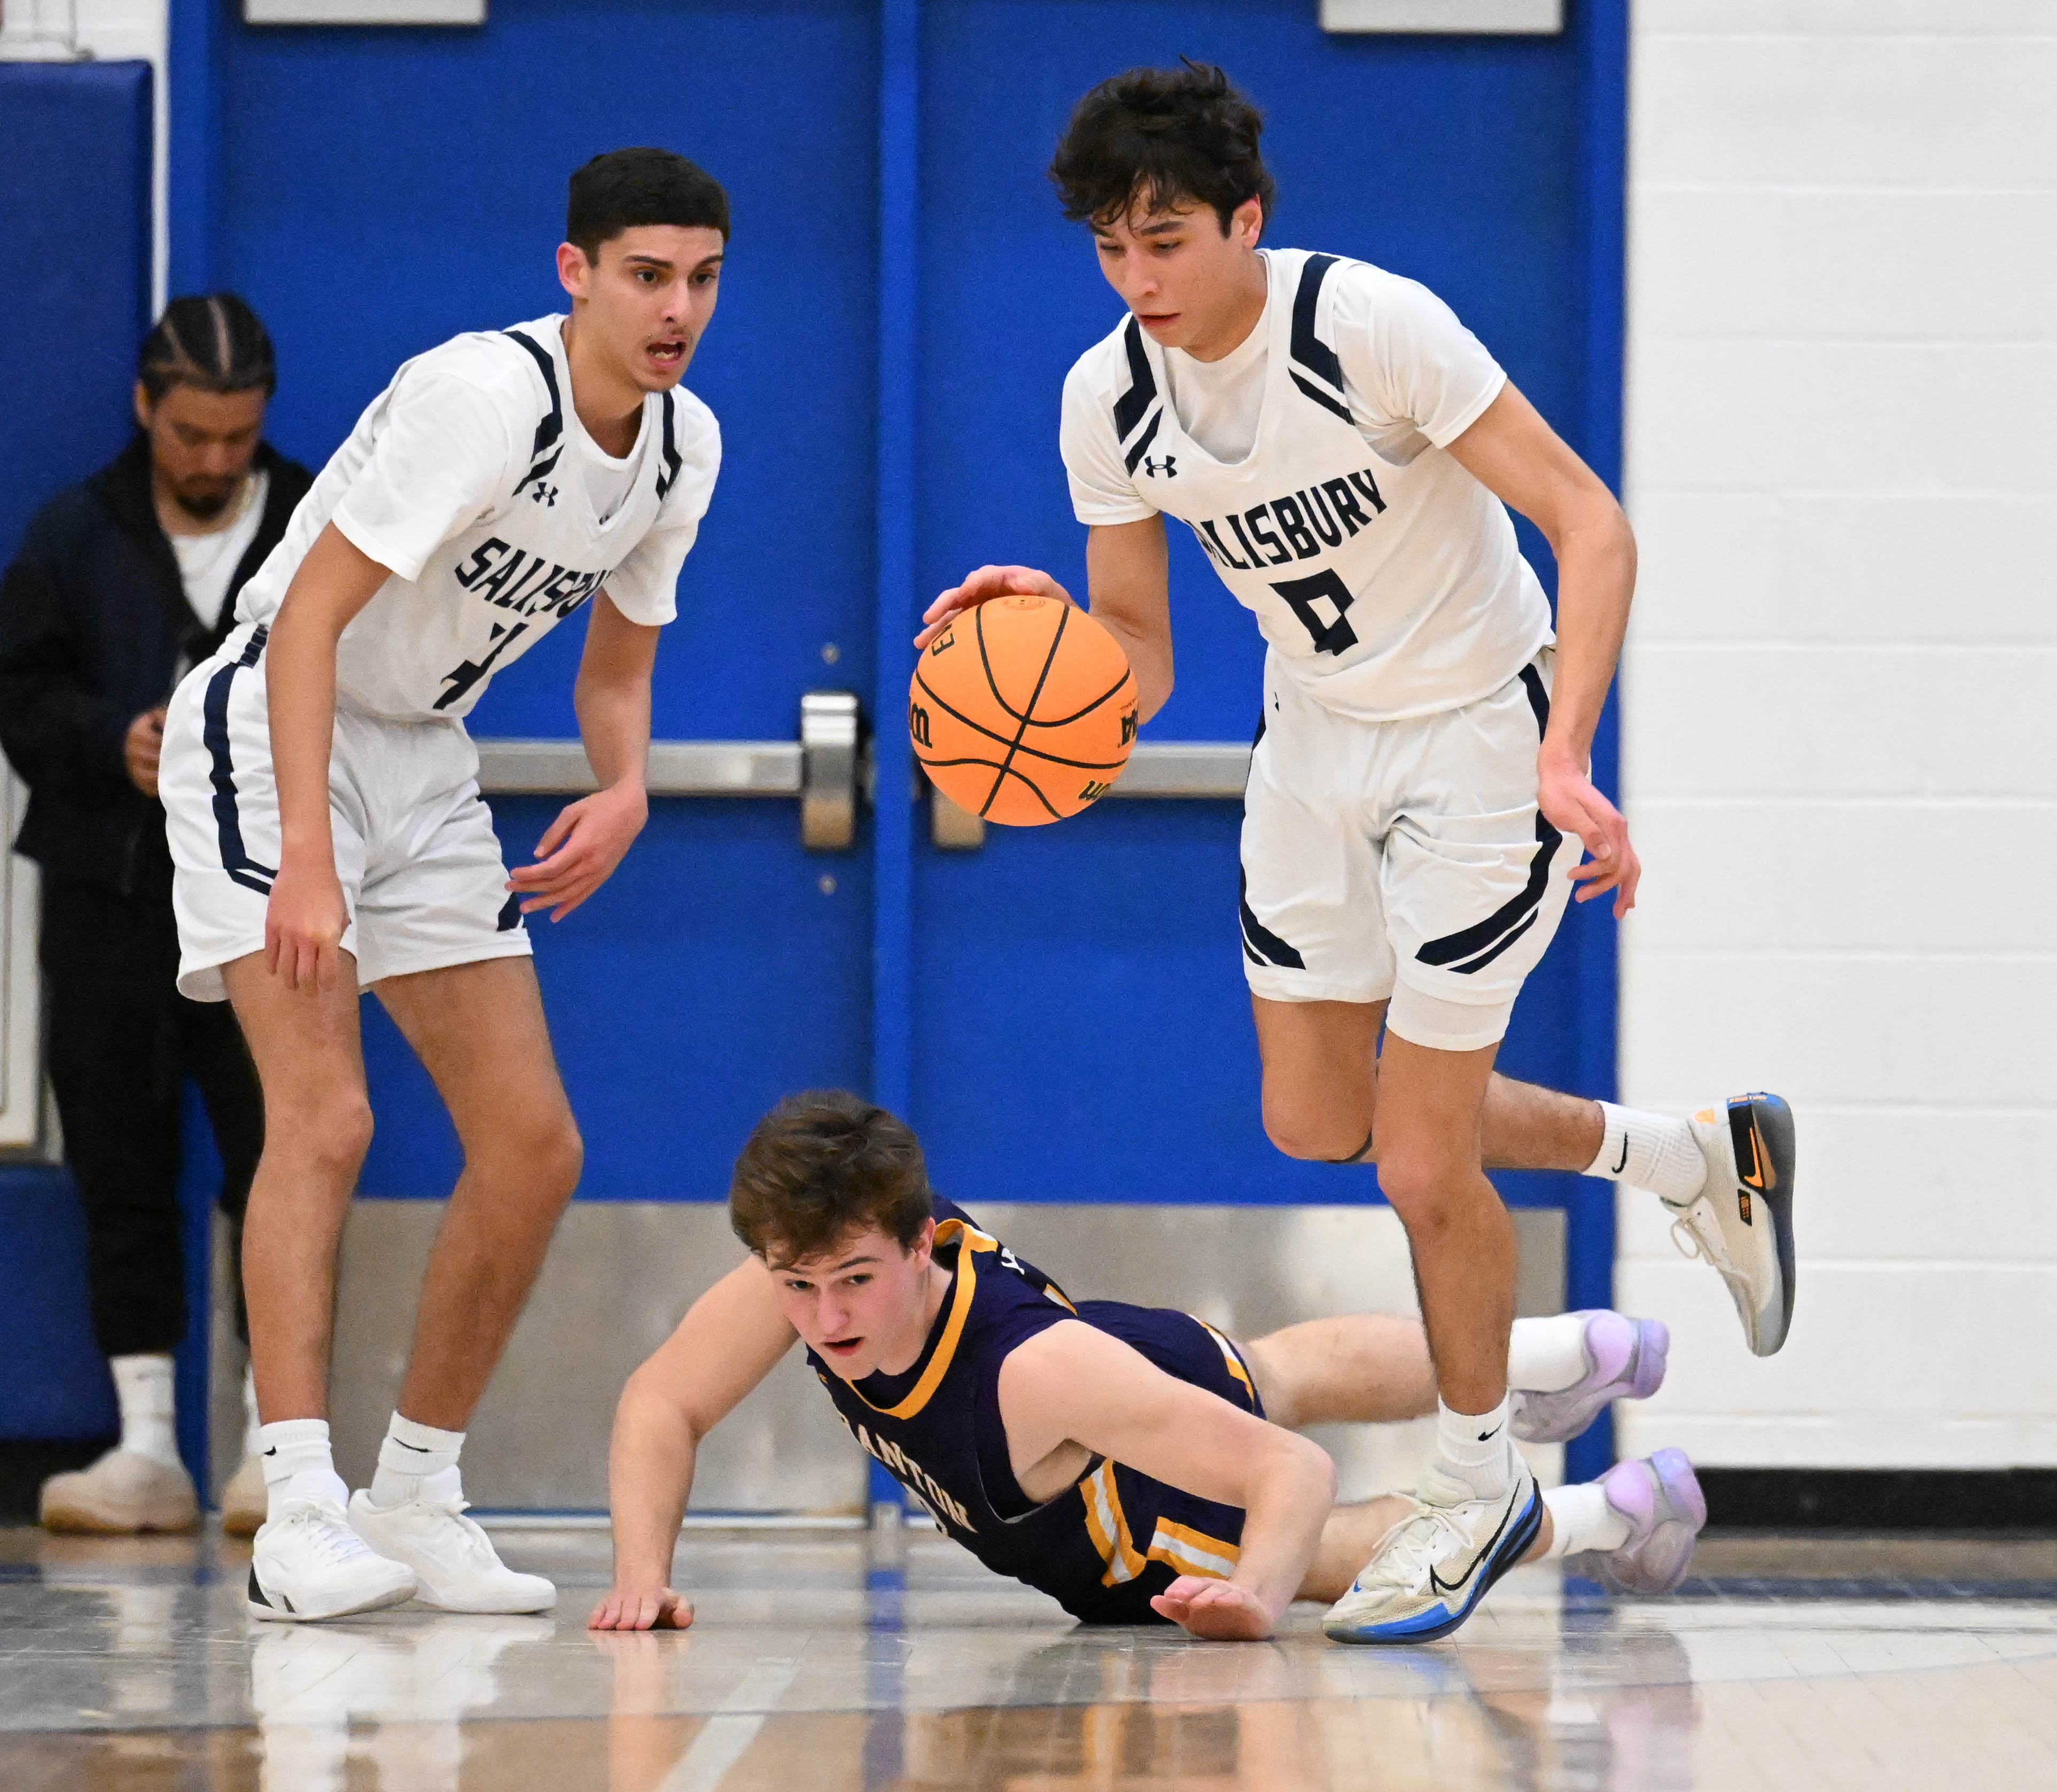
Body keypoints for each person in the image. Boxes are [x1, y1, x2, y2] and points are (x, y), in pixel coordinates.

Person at [915, 62, 1794, 1643]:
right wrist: (1040, 640)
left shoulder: (1371, 327)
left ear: (1247, 219)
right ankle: (1688, 1155)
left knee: (1417, 1153)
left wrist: (1566, 751)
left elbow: (1590, 523)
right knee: (1322, 1115)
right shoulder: (1104, 399)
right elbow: (1140, 652)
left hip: (1477, 736)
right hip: (1310, 742)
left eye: (1168, 239)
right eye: (1112, 249)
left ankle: (1476, 1488)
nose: (1140, 279)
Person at [153, 147, 727, 1622]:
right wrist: (306, 865)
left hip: (421, 755)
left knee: (534, 1146)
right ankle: (296, 1508)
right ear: (575, 273)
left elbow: (618, 663)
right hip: (277, 726)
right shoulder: (484, 397)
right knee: (327, 1116)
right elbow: (307, 624)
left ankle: (416, 1489)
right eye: (647, 275)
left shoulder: (680, 449)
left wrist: (625, 782)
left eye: (702, 278)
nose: (677, 308)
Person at [592, 1092, 1706, 1641]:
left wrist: (1257, 1596)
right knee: (1275, 1368)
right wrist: (641, 1575)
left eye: (850, 1282)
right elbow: (658, 1401)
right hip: (1130, 1359)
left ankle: (1607, 1511)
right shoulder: (815, 1257)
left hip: (1125, 1487)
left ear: (920, 1240)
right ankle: (1561, 1350)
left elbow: (1290, 1476)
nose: (824, 1317)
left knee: (1324, 1553)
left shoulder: (1026, 1376)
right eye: (796, 1286)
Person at [0, 295, 310, 1538]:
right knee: (122, 1165)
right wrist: (103, 741)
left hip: (269, 900)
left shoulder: (317, 521)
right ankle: (143, 1447)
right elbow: (19, 693)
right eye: (191, 434)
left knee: (278, 1161)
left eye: (236, 437)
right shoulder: (72, 532)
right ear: (146, 409)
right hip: (110, 894)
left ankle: (270, 1449)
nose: (214, 461)